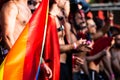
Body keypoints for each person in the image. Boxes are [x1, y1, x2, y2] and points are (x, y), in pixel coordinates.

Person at [0, 0, 52, 79]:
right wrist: (20, 60)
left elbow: (31, 42)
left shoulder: (27, 9)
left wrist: (42, 63)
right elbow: (7, 36)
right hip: (13, 62)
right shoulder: (11, 6)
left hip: (25, 63)